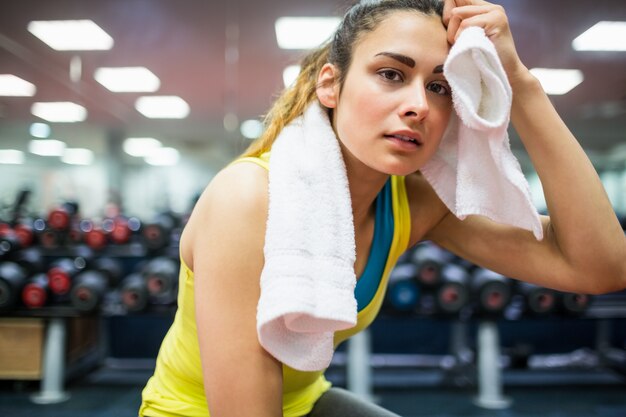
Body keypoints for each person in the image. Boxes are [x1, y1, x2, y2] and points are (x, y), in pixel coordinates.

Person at [138, 0, 626, 415]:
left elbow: (600, 266)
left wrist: (520, 82)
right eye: (391, 74)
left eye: (439, 86)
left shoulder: (412, 203)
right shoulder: (247, 200)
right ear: (330, 85)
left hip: (308, 402)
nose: (419, 105)